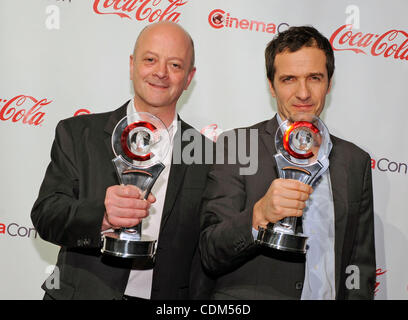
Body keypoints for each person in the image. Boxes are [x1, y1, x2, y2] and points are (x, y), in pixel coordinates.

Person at [31, 21, 212, 300]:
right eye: (150, 59)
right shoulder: (78, 134)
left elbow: (212, 248)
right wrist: (101, 216)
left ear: (189, 77)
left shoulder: (209, 155)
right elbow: (46, 216)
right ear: (132, 65)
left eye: (175, 65)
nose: (160, 73)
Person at [199, 26, 376, 300]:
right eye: (289, 79)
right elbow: (210, 252)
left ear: (329, 82)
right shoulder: (237, 146)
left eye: (314, 78)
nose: (303, 93)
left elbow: (359, 264)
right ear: (271, 85)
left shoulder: (355, 161)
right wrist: (258, 215)